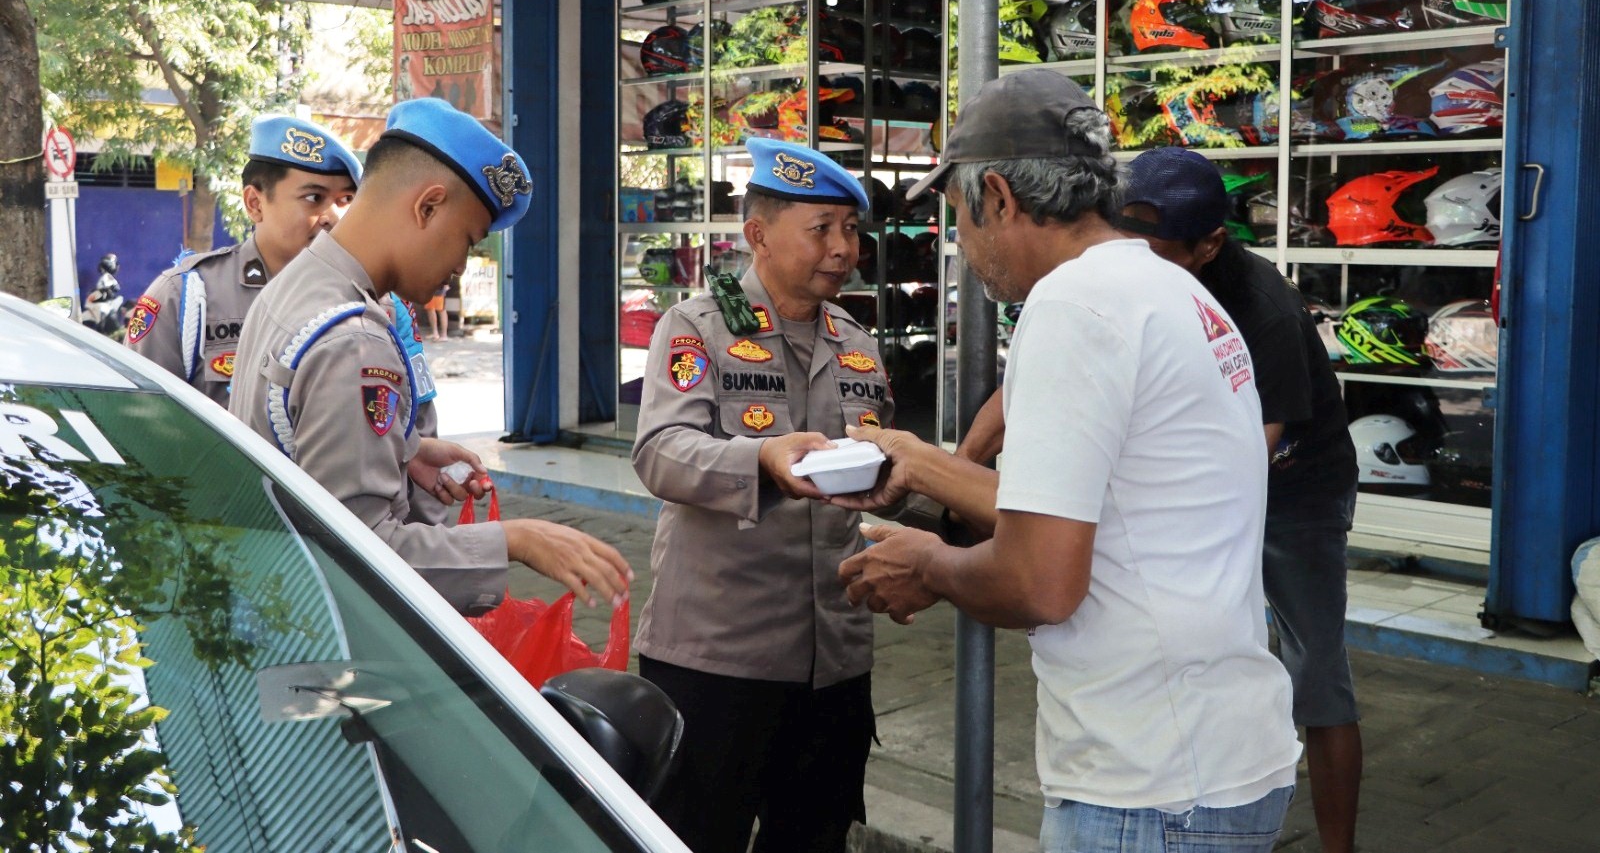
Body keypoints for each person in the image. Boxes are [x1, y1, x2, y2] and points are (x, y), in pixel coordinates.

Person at [833, 70, 1302, 853]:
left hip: (1147, 783)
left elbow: (1040, 580)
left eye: (958, 219)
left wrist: (931, 564)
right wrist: (919, 462)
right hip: (1218, 754)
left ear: (999, 196)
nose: (962, 246)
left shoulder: (1072, 306)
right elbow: (1105, 509)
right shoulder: (1170, 287)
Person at [230, 98, 630, 615]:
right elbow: (359, 554)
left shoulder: (299, 286)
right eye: (467, 240)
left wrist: (405, 449)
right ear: (427, 206)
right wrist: (516, 540)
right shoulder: (353, 338)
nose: (462, 266)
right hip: (322, 638)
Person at [630, 138, 892, 853]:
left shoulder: (857, 341)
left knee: (813, 838)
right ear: (758, 235)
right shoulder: (696, 327)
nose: (843, 248)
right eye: (822, 229)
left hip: (833, 663)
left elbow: (885, 474)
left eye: (850, 230)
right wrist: (763, 460)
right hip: (717, 660)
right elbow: (660, 452)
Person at [1117, 147, 1362, 853]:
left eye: (1156, 251)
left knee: (1315, 670)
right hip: (1211, 474)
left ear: (1210, 244)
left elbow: (1255, 452)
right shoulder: (1132, 271)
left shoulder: (1264, 309)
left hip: (1296, 488)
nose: (1137, 262)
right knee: (1196, 647)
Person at [126, 116, 362, 406]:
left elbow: (410, 433)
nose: (333, 217)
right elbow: (142, 417)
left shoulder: (375, 302)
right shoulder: (185, 296)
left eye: (347, 199)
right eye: (314, 197)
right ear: (255, 203)